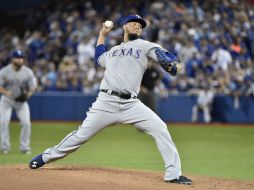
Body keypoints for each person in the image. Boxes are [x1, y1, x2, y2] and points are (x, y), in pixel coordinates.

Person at [29, 14, 192, 185]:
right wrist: (102, 35)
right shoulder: (113, 51)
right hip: (106, 102)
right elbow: (99, 58)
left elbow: (162, 54)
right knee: (80, 136)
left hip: (131, 104)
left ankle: (173, 174)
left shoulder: (145, 46)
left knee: (160, 128)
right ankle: (45, 157)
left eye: (140, 26)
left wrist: (171, 63)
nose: (138, 26)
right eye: (134, 23)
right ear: (125, 27)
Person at [0, 50, 37, 154]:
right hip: (7, 101)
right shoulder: (5, 71)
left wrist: (27, 96)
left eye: (21, 58)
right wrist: (8, 93)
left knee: (26, 123)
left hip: (21, 102)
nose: (20, 60)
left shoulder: (28, 72)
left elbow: (33, 86)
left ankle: (25, 148)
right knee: (3, 122)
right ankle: (5, 147)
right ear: (12, 59)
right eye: (17, 58)